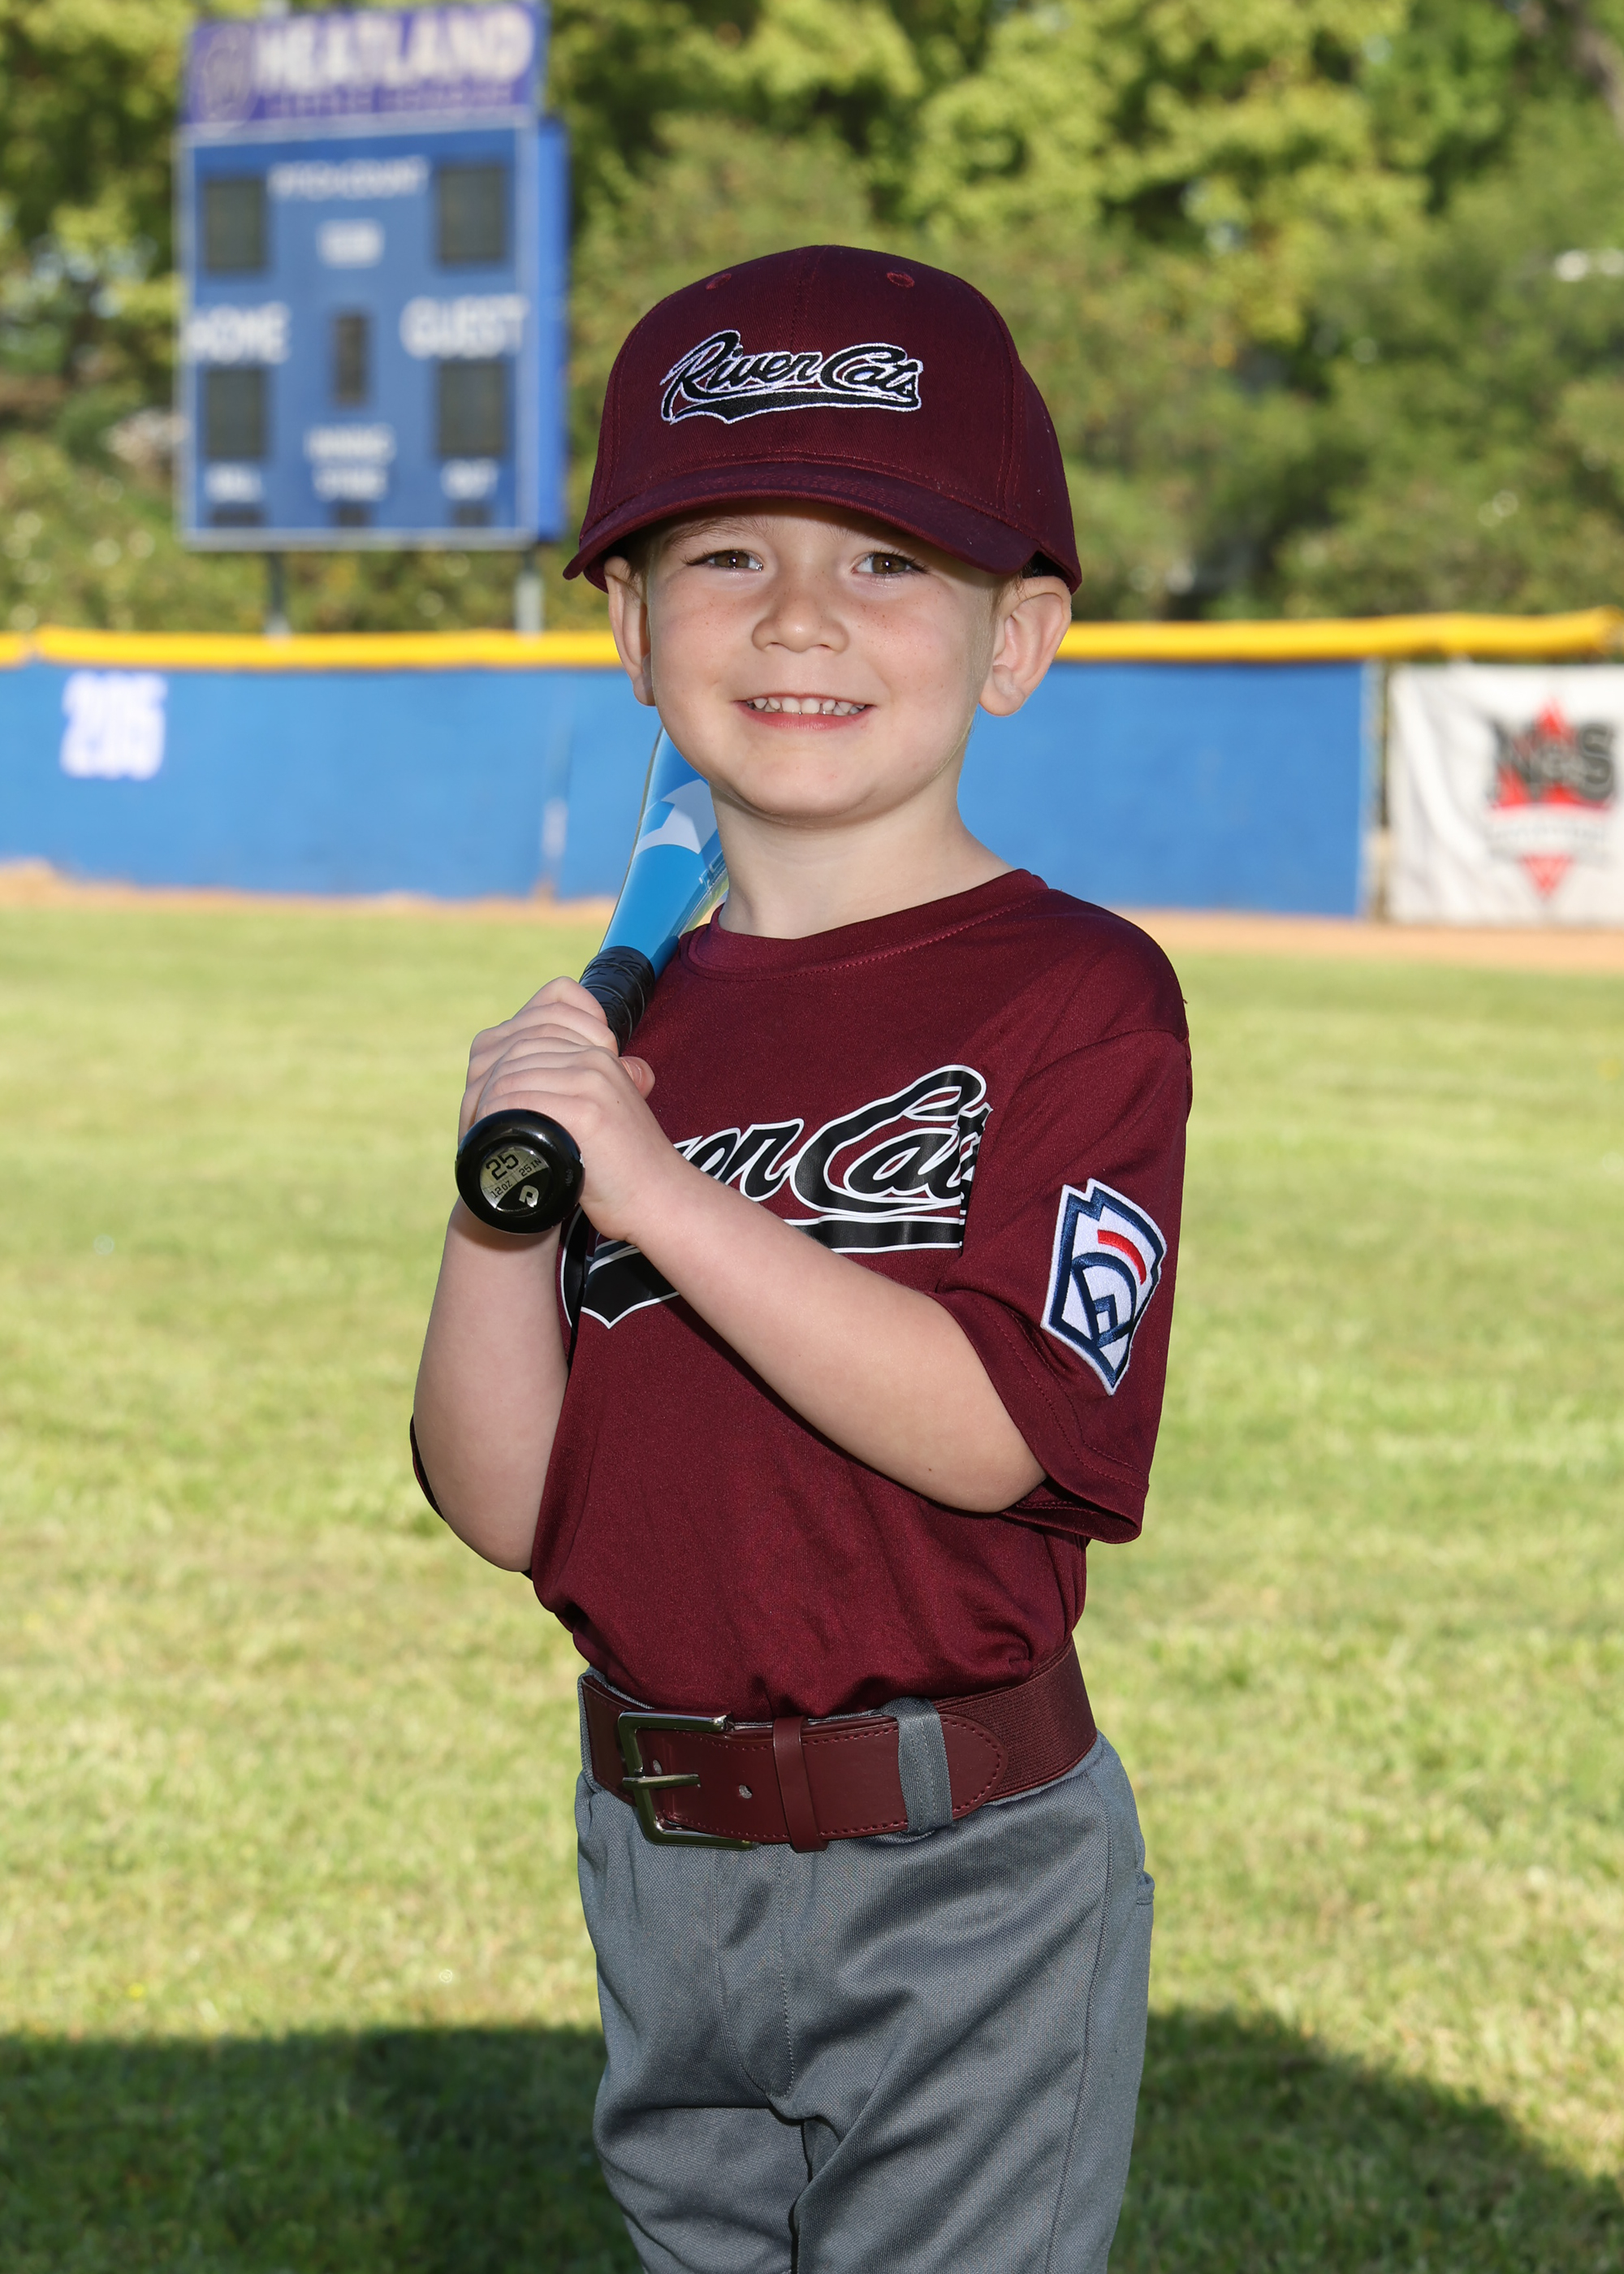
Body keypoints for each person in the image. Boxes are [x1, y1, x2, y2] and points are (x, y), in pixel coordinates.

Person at [411, 244, 1190, 2274]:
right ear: (628, 624)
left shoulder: (1075, 994)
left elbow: (1004, 1427)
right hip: (659, 1850)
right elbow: (505, 1500)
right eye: (727, 555)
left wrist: (658, 1191)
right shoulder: (633, 1030)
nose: (801, 617)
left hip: (962, 1868)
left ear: (1017, 635)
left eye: (888, 561)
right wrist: (502, 1198)